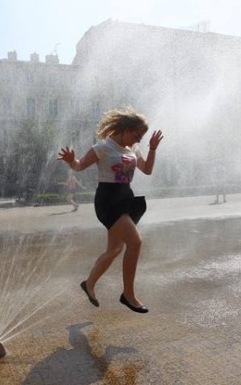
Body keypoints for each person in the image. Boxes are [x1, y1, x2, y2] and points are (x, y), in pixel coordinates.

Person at [58, 107, 163, 313]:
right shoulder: (103, 147)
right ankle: (128, 295)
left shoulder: (133, 148)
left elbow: (147, 170)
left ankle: (88, 284)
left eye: (141, 136)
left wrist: (152, 149)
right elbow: (79, 166)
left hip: (126, 199)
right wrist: (71, 160)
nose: (139, 139)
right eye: (137, 134)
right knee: (135, 242)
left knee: (115, 249)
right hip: (108, 201)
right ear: (124, 129)